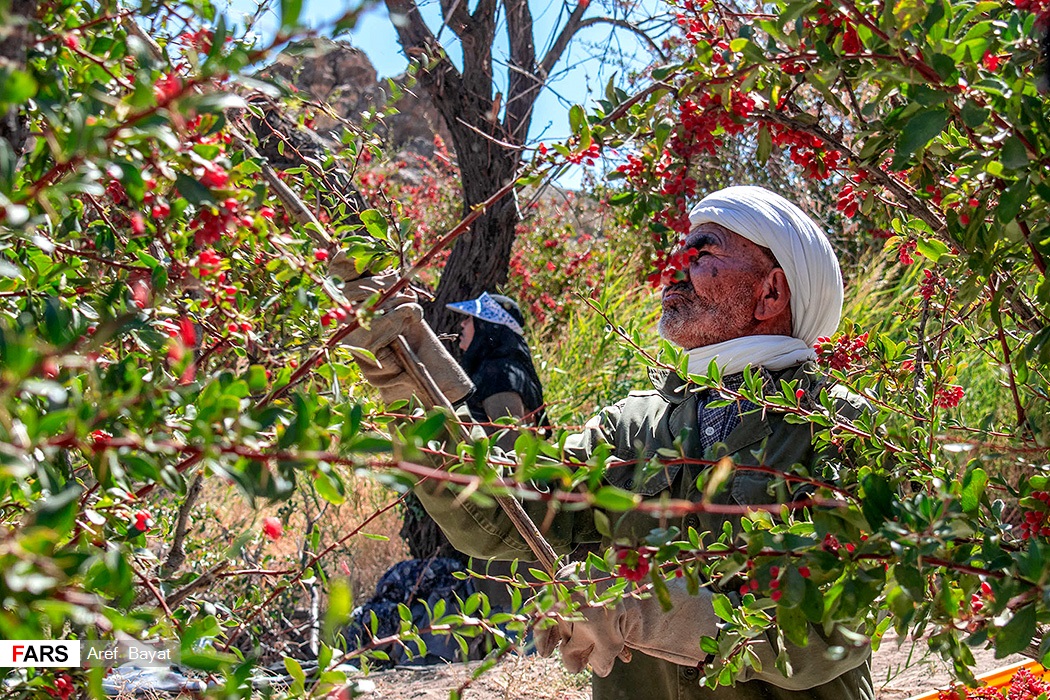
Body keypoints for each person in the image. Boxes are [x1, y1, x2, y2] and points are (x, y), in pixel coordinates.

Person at [344, 185, 873, 700]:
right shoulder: (633, 424)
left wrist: (648, 612)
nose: (674, 265)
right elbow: (504, 515)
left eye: (702, 251)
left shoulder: (840, 426)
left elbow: (829, 636)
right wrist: (416, 389)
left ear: (771, 293)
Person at [447, 291, 548, 449]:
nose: (463, 324)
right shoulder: (504, 370)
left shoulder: (500, 375)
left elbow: (509, 451)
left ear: (485, 326)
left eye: (469, 318)